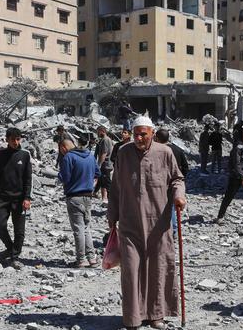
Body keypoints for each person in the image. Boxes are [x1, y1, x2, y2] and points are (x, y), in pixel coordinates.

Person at [107, 116, 186, 330]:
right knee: (131, 270)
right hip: (130, 222)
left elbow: (177, 179)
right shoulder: (123, 153)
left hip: (158, 224)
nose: (139, 138)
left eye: (143, 134)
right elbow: (116, 186)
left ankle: (156, 315)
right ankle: (133, 317)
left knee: (158, 269)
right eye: (136, 134)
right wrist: (111, 215)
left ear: (152, 133)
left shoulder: (165, 152)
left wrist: (179, 195)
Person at [0, 128, 32, 270]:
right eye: (13, 139)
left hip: (19, 200)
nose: (15, 142)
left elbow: (28, 179)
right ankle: (10, 248)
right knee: (0, 225)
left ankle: (15, 256)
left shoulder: (25, 156)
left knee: (19, 232)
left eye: (18, 139)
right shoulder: (1, 154)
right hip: (4, 198)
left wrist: (27, 197)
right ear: (7, 139)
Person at [58, 138, 101, 267]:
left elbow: (65, 177)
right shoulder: (90, 156)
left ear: (63, 148)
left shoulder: (68, 157)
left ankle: (81, 259)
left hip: (74, 196)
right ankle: (92, 258)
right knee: (87, 228)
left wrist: (59, 176)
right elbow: (97, 173)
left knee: (78, 229)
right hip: (88, 197)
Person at [154, 128, 189, 237]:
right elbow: (186, 167)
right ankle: (173, 230)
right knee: (173, 207)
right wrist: (180, 179)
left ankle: (165, 230)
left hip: (161, 183)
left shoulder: (156, 151)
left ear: (157, 138)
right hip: (175, 183)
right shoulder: (178, 150)